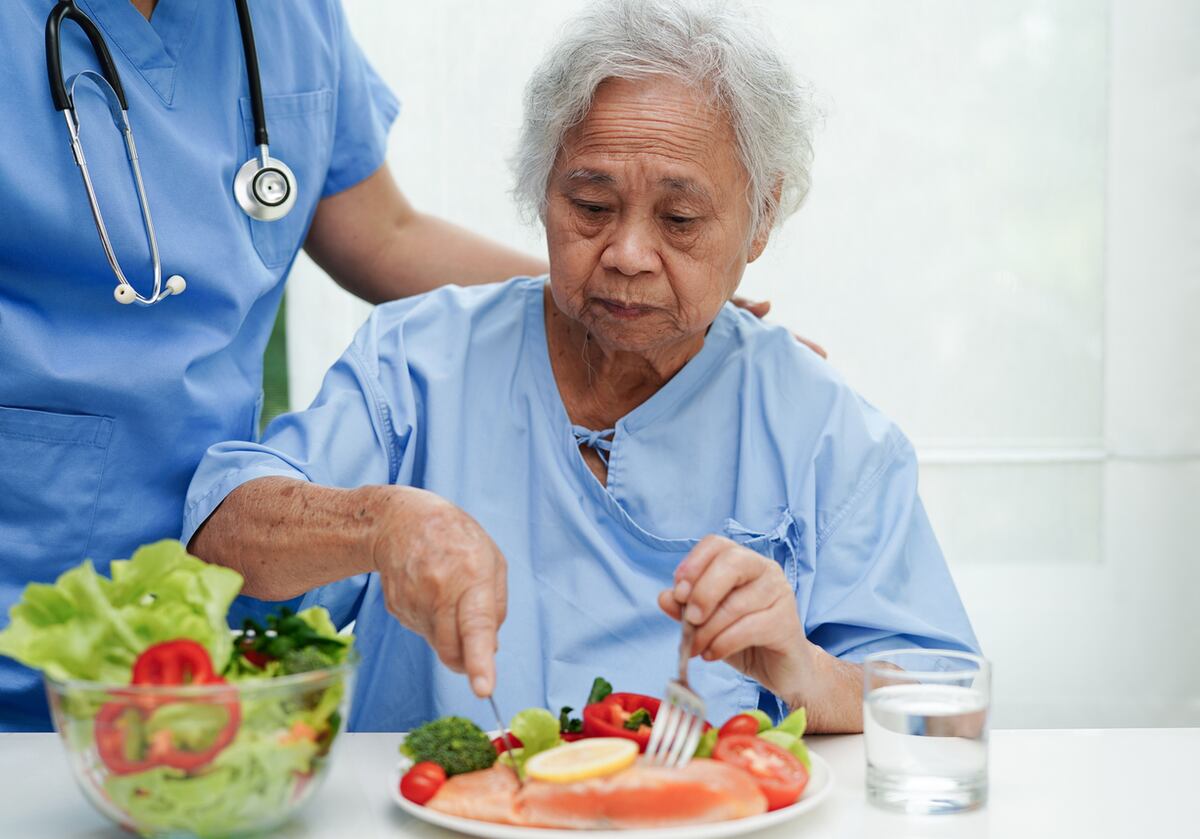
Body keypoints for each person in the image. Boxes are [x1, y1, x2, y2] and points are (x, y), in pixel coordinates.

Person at [185, 0, 977, 734]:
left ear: (761, 218)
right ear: (542, 193)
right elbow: (221, 536)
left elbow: (950, 702)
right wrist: (378, 522)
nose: (628, 253)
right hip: (431, 807)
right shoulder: (417, 361)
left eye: (679, 218)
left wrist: (806, 669)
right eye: (591, 207)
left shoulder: (821, 424)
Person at [0, 0, 552, 731]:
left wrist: (594, 292)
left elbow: (384, 235)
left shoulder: (292, 17)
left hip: (212, 590)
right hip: (23, 575)